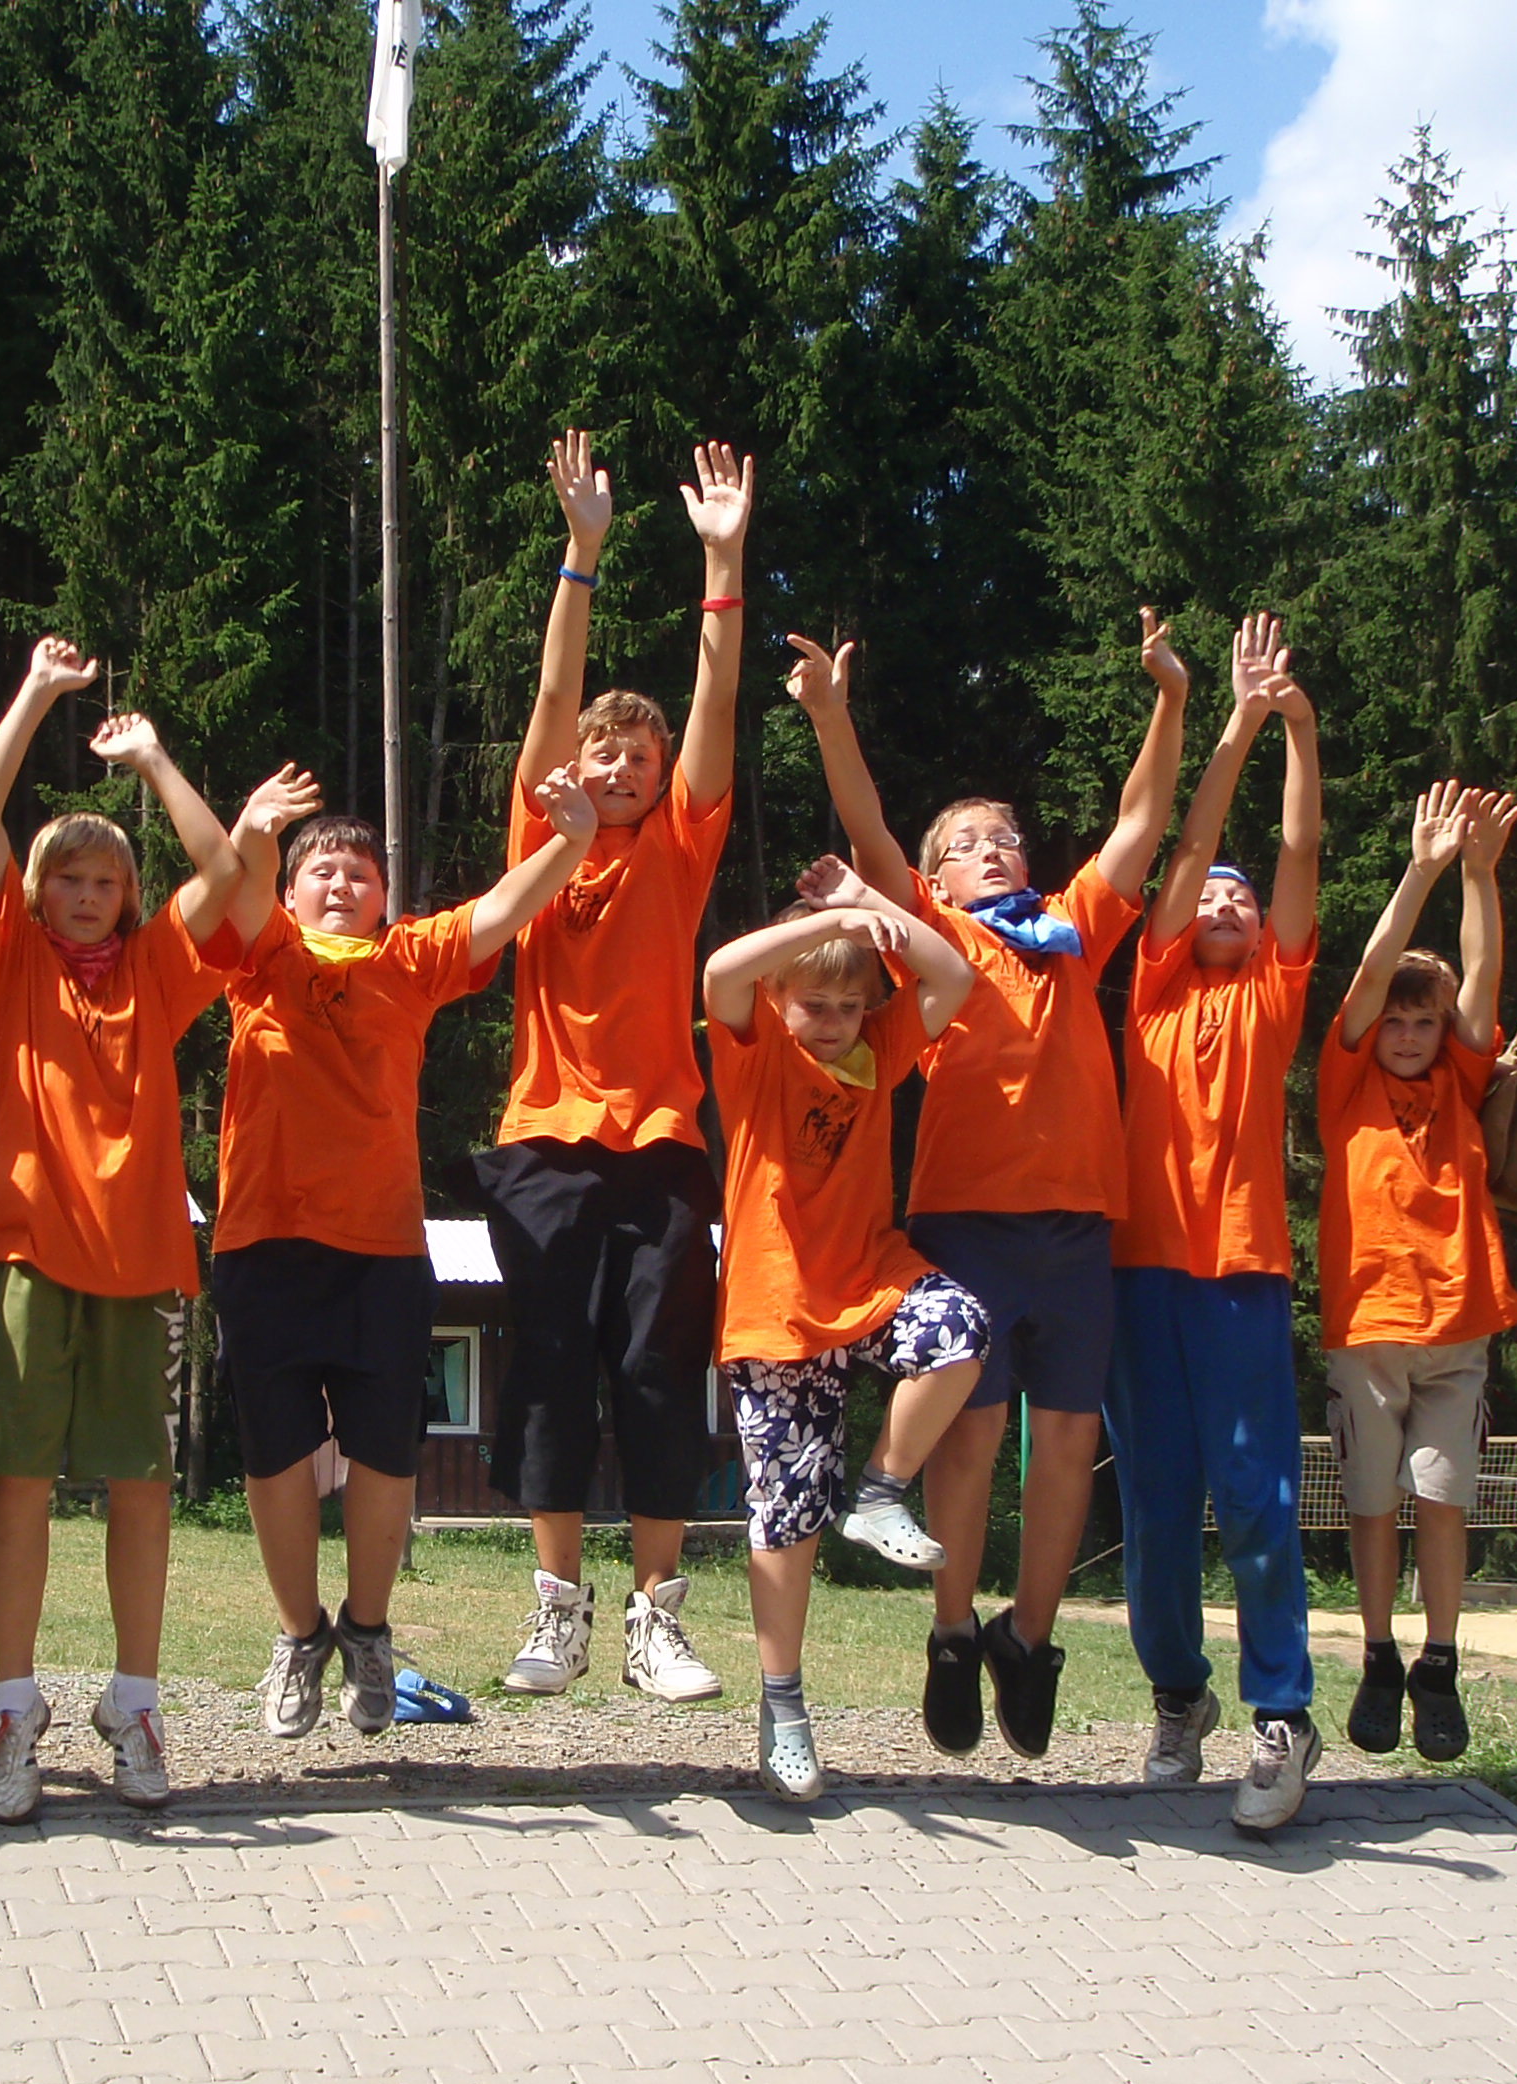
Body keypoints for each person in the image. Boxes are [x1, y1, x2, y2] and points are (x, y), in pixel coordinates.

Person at [787, 611, 1174, 1762]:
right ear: (939, 871)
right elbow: (867, 828)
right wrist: (832, 718)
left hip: (1079, 1230)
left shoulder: (1073, 931)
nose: (994, 847)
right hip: (968, 1222)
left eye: (1006, 836)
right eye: (968, 840)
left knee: (1068, 1445)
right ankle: (954, 1631)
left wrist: (1169, 699)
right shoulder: (927, 932)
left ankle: (1029, 1636)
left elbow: (1142, 821)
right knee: (972, 1437)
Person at [216, 766, 598, 1743]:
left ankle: (368, 1631)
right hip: (264, 1240)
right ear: (292, 892)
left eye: (360, 873)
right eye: (322, 871)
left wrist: (574, 840)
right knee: (274, 1454)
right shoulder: (260, 952)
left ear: (385, 897)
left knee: (387, 1452)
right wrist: (256, 832)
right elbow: (239, 888)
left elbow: (504, 910)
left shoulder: (411, 959)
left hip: (382, 1248)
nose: (342, 884)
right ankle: (299, 1635)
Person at [476, 430, 756, 1706]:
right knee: (548, 1370)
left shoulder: (680, 850)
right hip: (544, 1140)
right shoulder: (541, 840)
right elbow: (553, 697)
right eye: (606, 753)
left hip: (660, 1147)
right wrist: (580, 552)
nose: (625, 766)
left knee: (653, 1373)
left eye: (642, 757)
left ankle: (656, 1617)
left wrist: (722, 564)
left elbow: (716, 709)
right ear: (570, 772)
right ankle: (557, 1610)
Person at [0, 646, 256, 1822]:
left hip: (140, 1260)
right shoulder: (12, 959)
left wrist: (152, 758)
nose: (86, 895)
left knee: (141, 1484)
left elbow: (226, 868)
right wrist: (37, 694)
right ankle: (11, 1707)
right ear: (37, 893)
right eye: (68, 878)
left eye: (106, 880)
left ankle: (134, 1703)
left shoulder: (159, 970)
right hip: (30, 1245)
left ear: (129, 897)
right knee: (20, 1478)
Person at [1099, 614, 1326, 1829]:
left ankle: (1282, 1712)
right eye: (1214, 898)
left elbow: (1298, 853)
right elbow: (1189, 845)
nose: (1230, 900)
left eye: (1244, 897)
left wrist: (1298, 730)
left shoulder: (1274, 995)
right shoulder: (1154, 987)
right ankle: (1178, 1694)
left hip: (1241, 1273)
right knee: (1155, 1507)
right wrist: (1232, 721)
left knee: (1257, 1502)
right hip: (1141, 1276)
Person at [703, 861, 990, 1803]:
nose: (831, 1021)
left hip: (870, 1278)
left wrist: (866, 906)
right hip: (778, 1306)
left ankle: (879, 1492)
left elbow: (955, 975)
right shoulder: (755, 1052)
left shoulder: (882, 1050)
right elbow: (721, 971)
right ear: (780, 1000)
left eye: (848, 1005)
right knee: (786, 1517)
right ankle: (783, 1702)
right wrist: (820, 927)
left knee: (958, 1328)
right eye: (812, 1004)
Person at [1322, 781, 1517, 1763]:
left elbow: (1483, 977)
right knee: (1372, 1505)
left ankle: (1438, 1664)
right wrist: (1421, 872)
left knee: (1443, 1503)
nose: (1408, 1034)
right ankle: (1377, 1654)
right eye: (1398, 1021)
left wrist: (1480, 877)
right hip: (1368, 1329)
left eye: (1424, 1022)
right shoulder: (1347, 1083)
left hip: (1457, 1327)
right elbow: (1371, 974)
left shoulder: (1461, 1080)